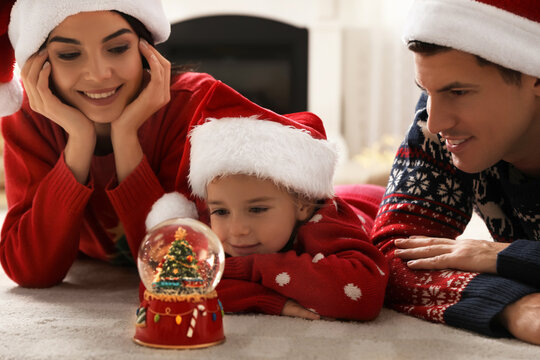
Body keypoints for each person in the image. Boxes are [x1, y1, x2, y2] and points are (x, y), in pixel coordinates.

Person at [1, 0, 230, 288]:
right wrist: (80, 139)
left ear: (145, 48)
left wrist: (125, 138)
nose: (98, 74)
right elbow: (31, 270)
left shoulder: (195, 105)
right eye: (70, 54)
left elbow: (179, 273)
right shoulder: (28, 118)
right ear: (38, 65)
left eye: (118, 48)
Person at [145, 81, 389, 320]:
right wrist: (265, 300)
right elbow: (160, 289)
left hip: (369, 201)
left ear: (303, 204)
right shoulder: (211, 221)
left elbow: (365, 295)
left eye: (257, 209)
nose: (237, 229)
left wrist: (250, 268)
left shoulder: (324, 222)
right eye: (221, 212)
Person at [371, 0, 540, 345]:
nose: (436, 123)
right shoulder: (436, 123)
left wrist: (504, 256)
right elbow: (393, 251)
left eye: (459, 92)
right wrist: (513, 305)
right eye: (426, 92)